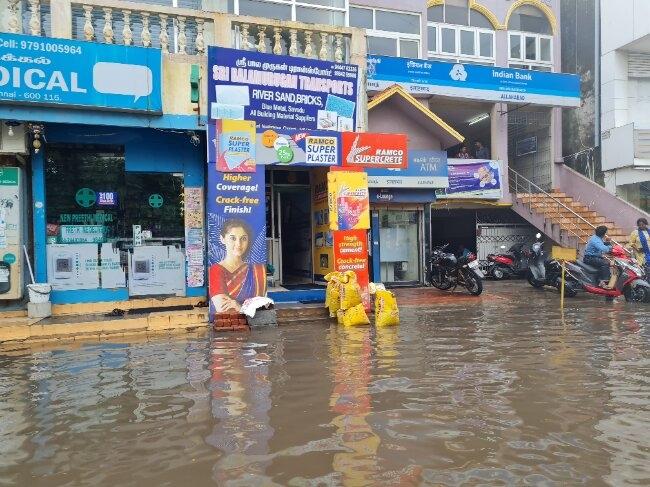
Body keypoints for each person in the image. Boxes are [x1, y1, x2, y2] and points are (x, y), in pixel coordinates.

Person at [209, 219, 266, 313]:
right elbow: (223, 308)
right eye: (232, 238)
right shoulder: (216, 270)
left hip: (254, 324)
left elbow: (261, 306)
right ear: (222, 239)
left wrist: (238, 307)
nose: (238, 244)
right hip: (228, 324)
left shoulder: (257, 270)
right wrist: (246, 309)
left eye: (243, 238)